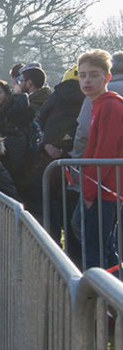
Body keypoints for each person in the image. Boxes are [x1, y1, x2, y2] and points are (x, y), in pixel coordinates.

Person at [77, 50, 123, 269]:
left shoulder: (111, 105)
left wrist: (89, 191)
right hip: (100, 188)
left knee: (96, 252)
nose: (86, 80)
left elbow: (105, 152)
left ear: (107, 77)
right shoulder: (98, 103)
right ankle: (114, 300)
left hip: (105, 189)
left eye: (93, 75)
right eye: (82, 74)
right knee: (104, 247)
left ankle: (100, 302)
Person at [37, 65, 85, 257]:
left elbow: (40, 118)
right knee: (75, 214)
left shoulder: (56, 96)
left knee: (55, 213)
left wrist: (47, 142)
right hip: (78, 162)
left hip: (52, 163)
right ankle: (77, 260)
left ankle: (57, 258)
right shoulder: (88, 98)